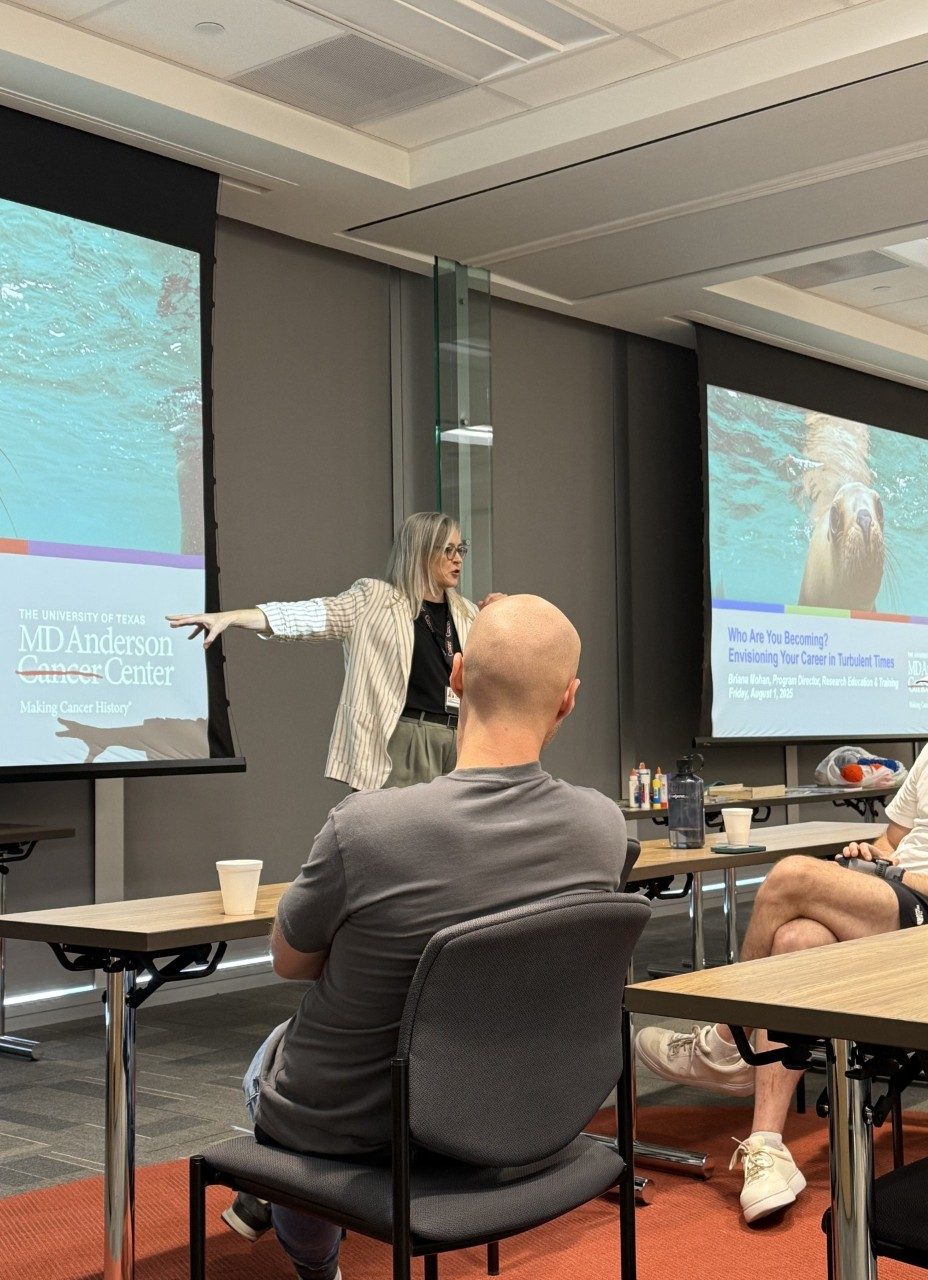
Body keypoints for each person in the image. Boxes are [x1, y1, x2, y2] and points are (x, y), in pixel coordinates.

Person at [224, 594, 637, 1280]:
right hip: (519, 1116)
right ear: (568, 701)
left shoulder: (366, 829)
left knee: (267, 1057)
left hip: (356, 1130)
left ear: (455, 675)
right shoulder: (603, 828)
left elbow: (290, 962)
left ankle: (312, 1256)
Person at [636, 744, 928, 1225]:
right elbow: (893, 838)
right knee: (796, 939)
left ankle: (727, 1042)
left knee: (791, 875)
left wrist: (890, 870)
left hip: (917, 903)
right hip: (895, 890)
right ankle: (766, 1142)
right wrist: (874, 854)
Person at [167, 511, 503, 790]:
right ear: (420, 552)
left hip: (459, 742)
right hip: (399, 741)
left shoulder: (468, 614)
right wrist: (232, 617)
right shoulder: (374, 599)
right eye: (448, 550)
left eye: (461, 549)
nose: (458, 559)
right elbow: (307, 616)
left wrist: (508, 613)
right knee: (394, 844)